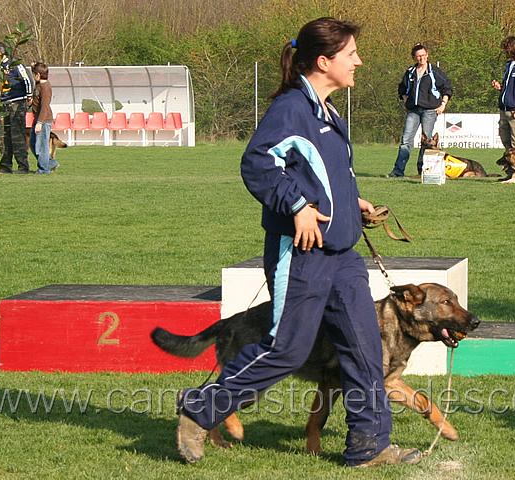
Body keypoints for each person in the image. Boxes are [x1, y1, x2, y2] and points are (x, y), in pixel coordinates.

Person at [175, 17, 422, 468]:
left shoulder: (327, 112)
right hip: (303, 255)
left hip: (342, 256)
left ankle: (369, 445)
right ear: (324, 61)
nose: (359, 61)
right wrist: (297, 206)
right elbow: (258, 163)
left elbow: (320, 173)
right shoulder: (291, 108)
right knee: (286, 349)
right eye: (351, 54)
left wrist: (353, 202)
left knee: (365, 347)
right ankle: (200, 409)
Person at [386, 43, 452, 178]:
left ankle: (424, 172)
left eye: (423, 55)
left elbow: (447, 87)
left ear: (427, 55)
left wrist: (443, 104)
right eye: (418, 56)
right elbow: (402, 88)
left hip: (430, 110)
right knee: (406, 141)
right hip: (413, 111)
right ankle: (398, 171)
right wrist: (405, 99)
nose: (421, 58)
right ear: (414, 58)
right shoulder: (410, 72)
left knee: (427, 142)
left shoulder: (435, 72)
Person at [0, 42, 33, 174]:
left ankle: (23, 166)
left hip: (17, 103)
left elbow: (27, 79)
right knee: (5, 136)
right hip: (5, 104)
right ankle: (5, 166)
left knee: (17, 135)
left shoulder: (15, 64)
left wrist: (29, 96)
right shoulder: (2, 67)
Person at [30, 62, 59, 174]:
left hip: (44, 120)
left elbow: (45, 106)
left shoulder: (45, 87)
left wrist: (40, 122)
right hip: (37, 119)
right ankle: (51, 163)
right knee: (33, 144)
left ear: (38, 74)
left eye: (34, 73)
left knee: (41, 146)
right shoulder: (38, 85)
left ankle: (44, 169)